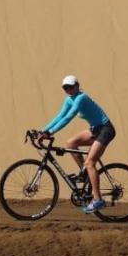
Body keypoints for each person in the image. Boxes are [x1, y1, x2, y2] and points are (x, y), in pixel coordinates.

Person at [36, 75, 116, 213]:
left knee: (90, 163)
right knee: (70, 143)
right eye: (65, 87)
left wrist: (50, 133)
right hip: (95, 130)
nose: (68, 90)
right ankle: (85, 174)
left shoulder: (81, 98)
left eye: (71, 87)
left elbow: (69, 117)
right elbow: (60, 116)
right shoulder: (69, 99)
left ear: (77, 85)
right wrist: (43, 130)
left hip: (105, 129)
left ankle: (98, 200)